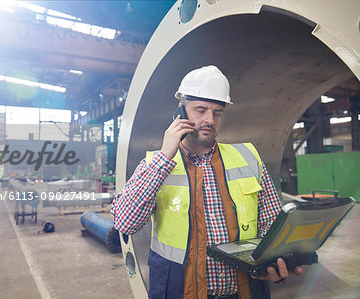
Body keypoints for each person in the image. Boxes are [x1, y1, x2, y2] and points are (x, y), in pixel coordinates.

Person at [111, 65, 303, 299]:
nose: (209, 120)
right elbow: (125, 223)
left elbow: (272, 225)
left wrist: (275, 263)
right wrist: (165, 157)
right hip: (180, 292)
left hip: (244, 292)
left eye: (217, 112)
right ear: (180, 111)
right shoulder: (155, 163)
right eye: (200, 110)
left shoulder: (248, 158)